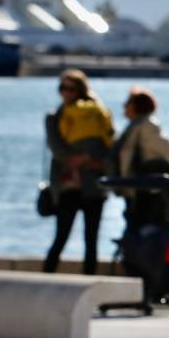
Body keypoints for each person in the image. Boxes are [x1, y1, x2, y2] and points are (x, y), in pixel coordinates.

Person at [112, 87, 169, 296]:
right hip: (135, 193)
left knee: (140, 238)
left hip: (144, 197)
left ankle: (149, 285)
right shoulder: (135, 127)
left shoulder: (146, 127)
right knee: (136, 237)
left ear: (137, 106)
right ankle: (144, 285)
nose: (124, 107)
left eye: (128, 102)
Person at [43, 69, 114, 275]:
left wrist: (88, 159)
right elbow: (56, 147)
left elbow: (109, 145)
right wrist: (81, 159)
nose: (66, 92)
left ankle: (88, 283)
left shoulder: (99, 114)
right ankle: (45, 278)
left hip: (92, 185)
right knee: (60, 237)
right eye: (62, 88)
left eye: (70, 88)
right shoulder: (55, 117)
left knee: (91, 240)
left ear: (80, 90)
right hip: (68, 185)